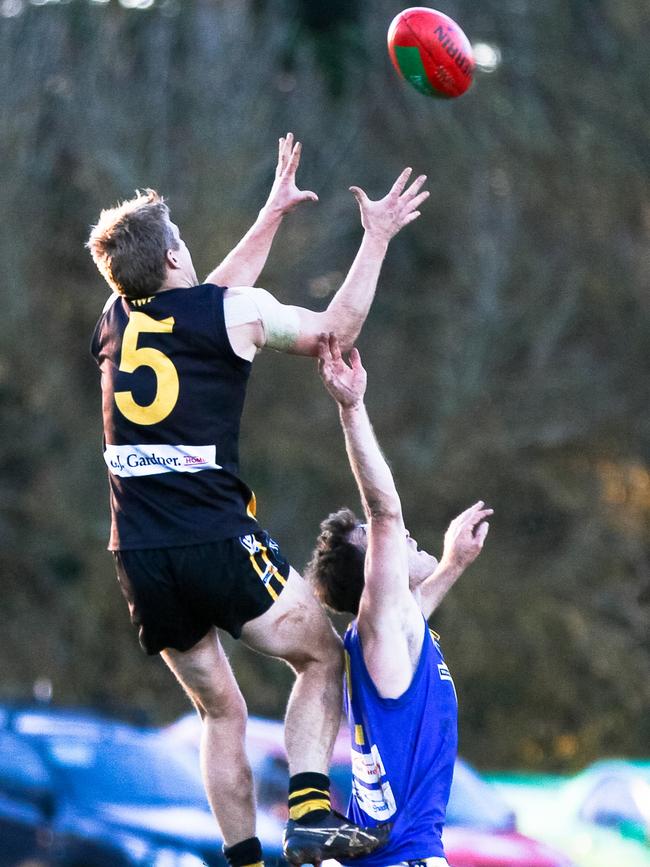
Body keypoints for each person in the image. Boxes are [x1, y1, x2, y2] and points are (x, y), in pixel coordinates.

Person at [87, 134, 429, 867]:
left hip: (139, 553)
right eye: (180, 241)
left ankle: (242, 860)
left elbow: (206, 297)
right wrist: (375, 240)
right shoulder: (229, 315)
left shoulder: (115, 321)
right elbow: (333, 331)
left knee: (222, 711)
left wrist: (271, 212)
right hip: (214, 537)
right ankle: (308, 812)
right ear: (175, 256)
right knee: (320, 657)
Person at [304, 333, 492, 867]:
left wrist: (454, 563)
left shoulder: (390, 638)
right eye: (380, 541)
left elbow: (418, 613)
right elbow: (386, 511)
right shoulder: (377, 624)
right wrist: (352, 408)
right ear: (374, 573)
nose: (404, 539)